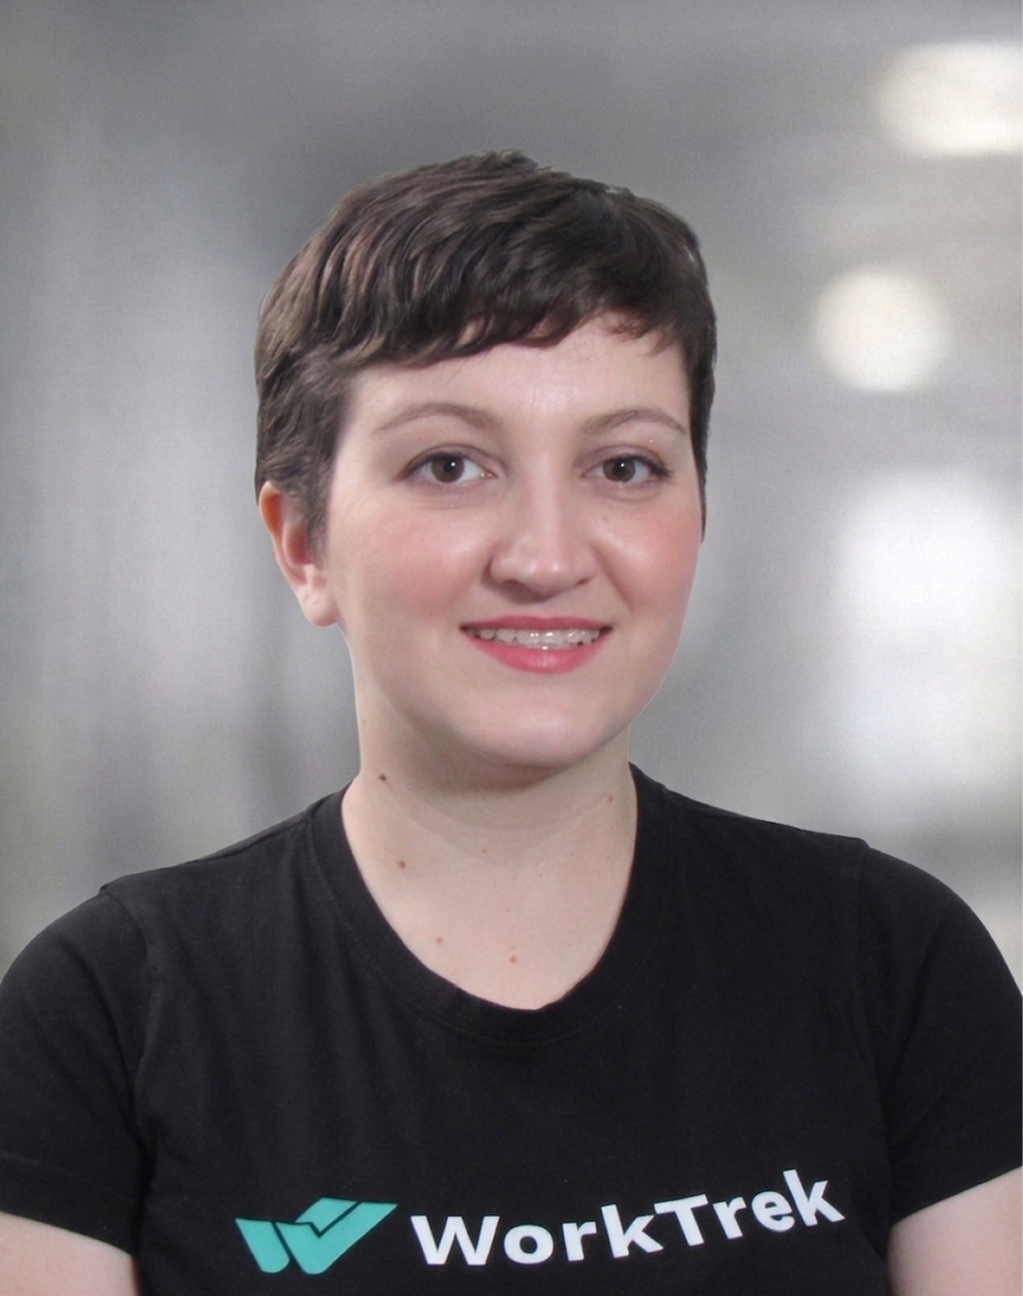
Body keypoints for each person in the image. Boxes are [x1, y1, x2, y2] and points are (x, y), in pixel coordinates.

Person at [0, 151, 1021, 1295]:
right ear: (303, 545)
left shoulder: (892, 969)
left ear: (698, 516)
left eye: (623, 465)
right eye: (449, 465)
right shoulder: (109, 1015)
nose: (545, 556)